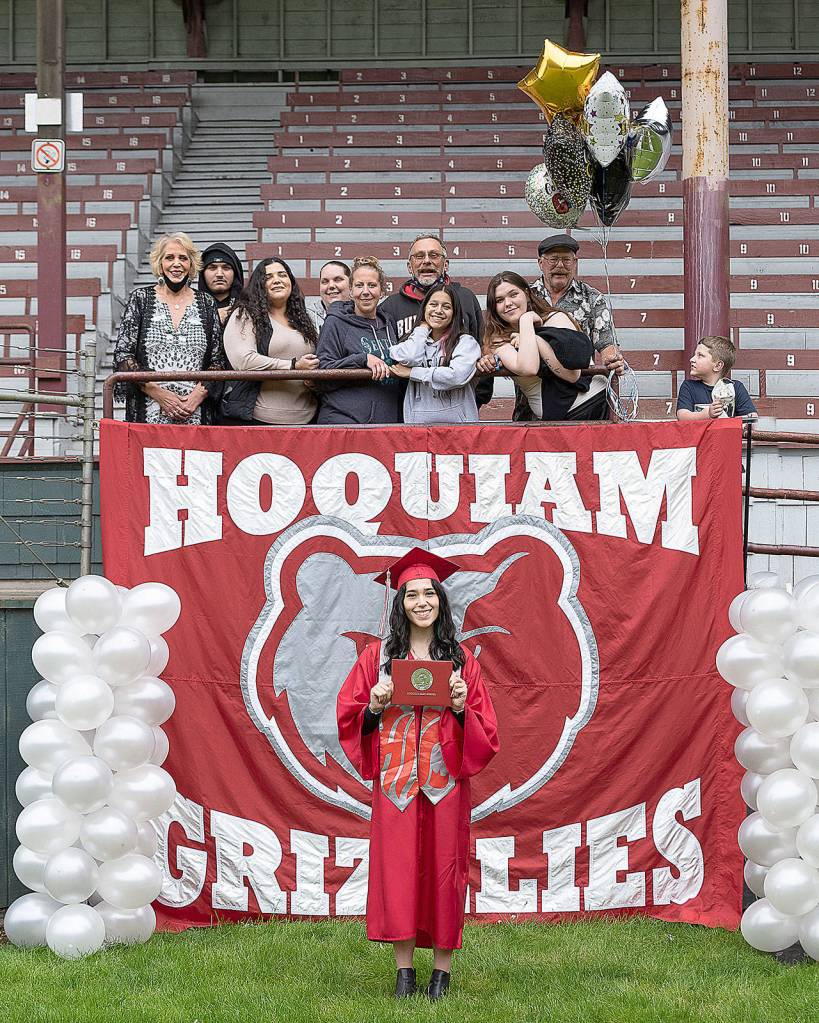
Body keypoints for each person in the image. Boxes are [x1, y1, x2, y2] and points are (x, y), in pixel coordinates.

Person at [336, 548, 499, 1001]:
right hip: (397, 781)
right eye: (412, 595)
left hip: (445, 781)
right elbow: (350, 715)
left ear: (441, 602)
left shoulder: (462, 659)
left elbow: (487, 728)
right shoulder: (378, 657)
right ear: (400, 603)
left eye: (430, 594)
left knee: (445, 873)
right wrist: (374, 702)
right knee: (400, 872)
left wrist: (463, 706)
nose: (422, 601)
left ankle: (441, 974)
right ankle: (404, 973)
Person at [113, 232, 224, 424]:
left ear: (191, 264)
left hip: (194, 412)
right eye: (169, 258)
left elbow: (218, 359)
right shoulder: (141, 299)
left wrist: (196, 397)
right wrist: (159, 394)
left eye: (183, 258)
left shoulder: (207, 303)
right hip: (149, 411)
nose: (176, 264)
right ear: (160, 263)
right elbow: (123, 355)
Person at [515, 233, 624, 420]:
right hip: (533, 404)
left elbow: (607, 345)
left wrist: (613, 359)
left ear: (575, 263)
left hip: (580, 400)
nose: (560, 266)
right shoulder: (524, 298)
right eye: (553, 259)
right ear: (540, 263)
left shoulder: (593, 298)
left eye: (566, 260)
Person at [478, 271, 593, 421]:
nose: (508, 303)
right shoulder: (498, 341)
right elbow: (529, 367)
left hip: (594, 404)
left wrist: (536, 338)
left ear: (526, 294)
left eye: (513, 295)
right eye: (499, 300)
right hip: (556, 419)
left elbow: (572, 375)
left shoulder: (555, 318)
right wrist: (526, 322)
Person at [220, 258, 319, 425]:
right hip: (258, 420)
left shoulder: (304, 319)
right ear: (259, 285)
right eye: (268, 277)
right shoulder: (244, 314)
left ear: (291, 282)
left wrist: (314, 380)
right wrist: (293, 366)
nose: (277, 280)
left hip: (308, 421)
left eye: (282, 275)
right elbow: (243, 361)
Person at [315, 256, 402, 425]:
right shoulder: (335, 321)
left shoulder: (388, 323)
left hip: (386, 423)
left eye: (372, 285)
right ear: (350, 290)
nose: (365, 291)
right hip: (343, 421)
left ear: (382, 290)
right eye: (359, 285)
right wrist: (362, 359)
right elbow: (322, 372)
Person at [388, 284, 481, 424]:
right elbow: (411, 356)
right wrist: (422, 329)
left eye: (446, 307)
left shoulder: (466, 342)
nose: (438, 311)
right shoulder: (412, 342)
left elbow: (456, 376)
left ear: (455, 313)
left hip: (460, 428)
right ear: (424, 308)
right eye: (433, 304)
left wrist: (412, 373)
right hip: (418, 427)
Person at [676, 336, 758, 421]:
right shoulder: (688, 386)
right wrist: (706, 414)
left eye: (700, 355)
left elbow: (751, 417)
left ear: (718, 366)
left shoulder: (735, 387)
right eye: (695, 355)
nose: (692, 359)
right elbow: (682, 417)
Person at [199, 243, 245, 324]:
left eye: (226, 268)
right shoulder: (192, 307)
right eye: (212, 268)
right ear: (202, 274)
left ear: (235, 273)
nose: (219, 274)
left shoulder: (249, 305)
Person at [307, 260, 352, 333]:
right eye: (325, 281)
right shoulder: (307, 318)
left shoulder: (362, 314)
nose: (331, 286)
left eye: (337, 280)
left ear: (351, 284)